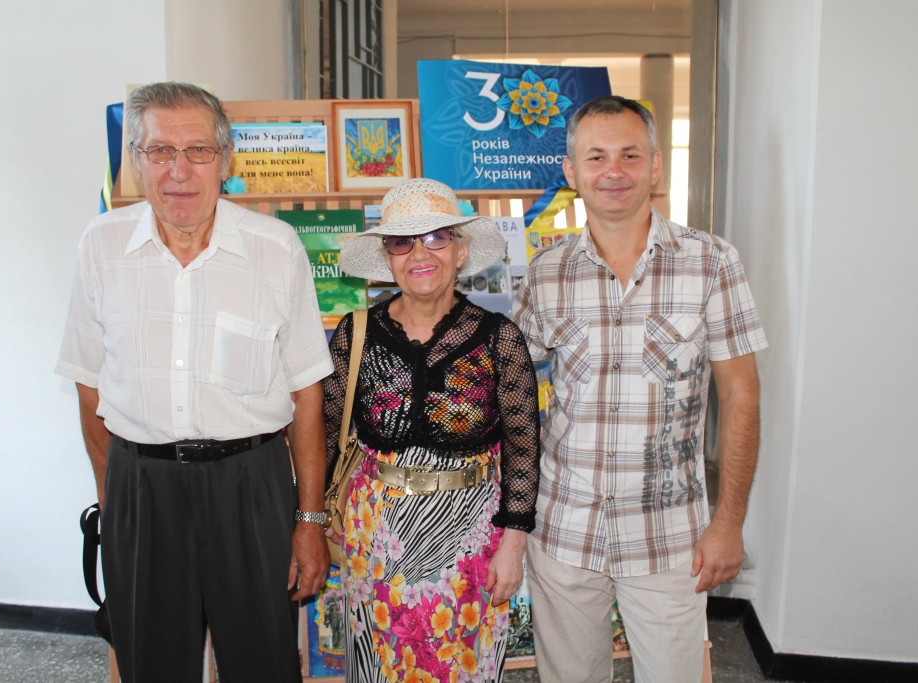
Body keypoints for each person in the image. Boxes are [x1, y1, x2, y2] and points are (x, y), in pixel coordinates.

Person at [55, 82, 333, 682]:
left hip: (252, 486)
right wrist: (117, 508)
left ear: (225, 160)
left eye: (198, 151)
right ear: (136, 161)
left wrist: (309, 521)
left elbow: (306, 392)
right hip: (141, 487)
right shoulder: (101, 246)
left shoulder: (275, 248)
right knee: (152, 665)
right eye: (159, 151)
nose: (178, 171)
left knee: (263, 664)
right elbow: (88, 386)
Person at [512, 95, 768, 683]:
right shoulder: (546, 273)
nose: (614, 171)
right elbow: (512, 391)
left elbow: (742, 397)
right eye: (596, 156)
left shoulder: (711, 262)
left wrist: (729, 523)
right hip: (564, 530)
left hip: (669, 535)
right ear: (571, 172)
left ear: (655, 165)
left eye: (630, 155)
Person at [323, 178, 541, 683]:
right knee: (379, 667)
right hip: (375, 539)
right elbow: (328, 431)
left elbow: (523, 447)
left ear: (460, 251)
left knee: (462, 667)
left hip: (471, 541)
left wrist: (513, 546)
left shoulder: (499, 338)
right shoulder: (356, 334)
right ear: (388, 258)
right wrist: (315, 515)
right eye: (402, 242)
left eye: (436, 237)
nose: (419, 254)